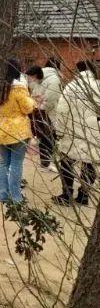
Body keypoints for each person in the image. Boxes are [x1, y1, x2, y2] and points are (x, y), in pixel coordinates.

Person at [53, 61, 100, 206]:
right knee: (89, 163)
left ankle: (66, 195)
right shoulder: (98, 86)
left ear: (78, 71)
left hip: (72, 132)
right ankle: (84, 195)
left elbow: (62, 111)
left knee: (66, 163)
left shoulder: (72, 87)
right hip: (94, 132)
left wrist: (59, 132)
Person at [0, 59, 36, 203]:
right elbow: (27, 108)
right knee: (16, 164)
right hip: (19, 130)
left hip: (2, 128)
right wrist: (34, 101)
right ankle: (16, 197)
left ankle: (2, 194)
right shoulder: (19, 88)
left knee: (3, 163)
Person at [26, 63, 61, 169]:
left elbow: (50, 100)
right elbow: (34, 96)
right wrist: (37, 104)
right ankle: (46, 163)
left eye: (31, 77)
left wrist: (39, 106)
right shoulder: (40, 80)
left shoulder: (53, 80)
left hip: (49, 114)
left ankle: (48, 162)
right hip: (41, 113)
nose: (30, 80)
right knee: (44, 138)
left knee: (49, 138)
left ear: (36, 75)